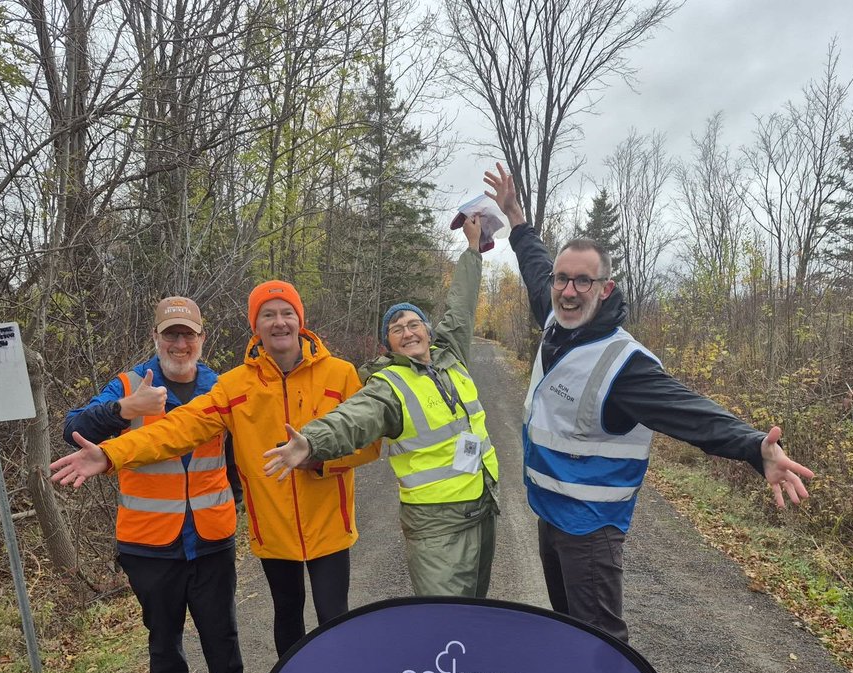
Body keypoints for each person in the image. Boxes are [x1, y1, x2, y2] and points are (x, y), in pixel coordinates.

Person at [483, 163, 814, 644]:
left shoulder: (623, 364)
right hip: (550, 513)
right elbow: (535, 264)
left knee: (598, 642)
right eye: (562, 280)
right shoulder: (555, 320)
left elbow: (687, 411)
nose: (568, 290)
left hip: (591, 529)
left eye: (582, 282)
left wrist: (752, 447)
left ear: (605, 290)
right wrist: (516, 217)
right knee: (564, 630)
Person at [53, 283, 377, 660]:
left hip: (329, 525)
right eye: (267, 315)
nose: (279, 322)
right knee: (287, 616)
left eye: (286, 313)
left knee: (334, 619)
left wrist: (317, 459)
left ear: (300, 320)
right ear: (255, 325)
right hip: (273, 528)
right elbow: (175, 430)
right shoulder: (235, 386)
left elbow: (368, 443)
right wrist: (109, 454)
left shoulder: (340, 374)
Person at [264, 215, 498, 598]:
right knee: (443, 622)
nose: (408, 332)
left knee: (476, 614)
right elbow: (354, 418)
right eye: (397, 329)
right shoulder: (388, 385)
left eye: (414, 323)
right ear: (388, 346)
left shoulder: (449, 355)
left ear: (427, 329)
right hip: (436, 525)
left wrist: (473, 250)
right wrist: (310, 442)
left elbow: (461, 306)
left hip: (483, 507)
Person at [61, 296, 245, 673]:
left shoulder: (220, 387)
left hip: (210, 536)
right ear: (156, 338)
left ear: (203, 339)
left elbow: (236, 457)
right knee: (162, 632)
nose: (180, 343)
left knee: (219, 627)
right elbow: (74, 427)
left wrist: (237, 504)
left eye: (188, 334)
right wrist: (127, 407)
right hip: (148, 541)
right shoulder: (129, 383)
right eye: (171, 334)